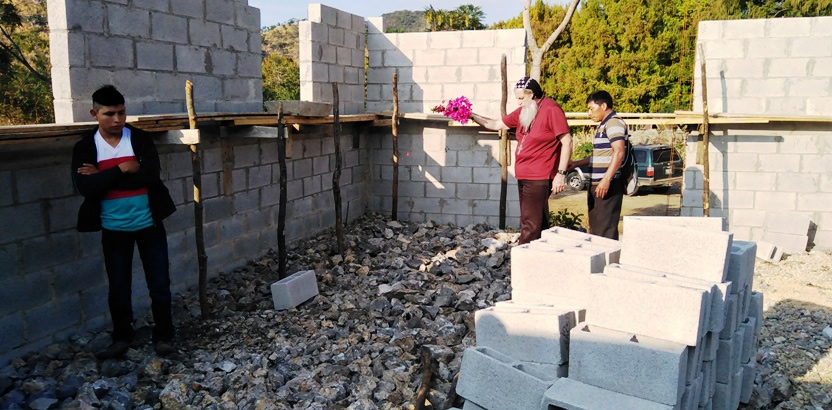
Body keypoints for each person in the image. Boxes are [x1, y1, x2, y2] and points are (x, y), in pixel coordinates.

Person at [71, 85, 177, 359]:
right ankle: (122, 337)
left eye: (121, 112)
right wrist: (122, 167)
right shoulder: (86, 147)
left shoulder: (139, 140)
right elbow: (85, 187)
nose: (117, 119)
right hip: (114, 228)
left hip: (149, 224)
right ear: (94, 114)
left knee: (159, 284)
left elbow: (150, 176)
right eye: (109, 114)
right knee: (118, 287)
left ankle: (164, 336)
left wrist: (102, 176)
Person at [471, 77, 573, 244]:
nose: (518, 103)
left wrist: (561, 174)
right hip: (524, 174)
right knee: (537, 219)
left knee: (530, 223)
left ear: (532, 94)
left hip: (539, 175)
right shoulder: (524, 111)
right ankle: (541, 252)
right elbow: (496, 124)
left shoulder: (551, 109)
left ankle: (522, 253)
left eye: (521, 98)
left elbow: (567, 141)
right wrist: (471, 115)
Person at [569, 90, 627, 240]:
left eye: (591, 108)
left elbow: (619, 151)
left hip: (607, 185)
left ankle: (608, 255)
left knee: (604, 231)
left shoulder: (613, 122)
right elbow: (599, 156)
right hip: (597, 184)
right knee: (596, 229)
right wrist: (575, 164)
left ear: (603, 106)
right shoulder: (603, 125)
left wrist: (606, 179)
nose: (589, 113)